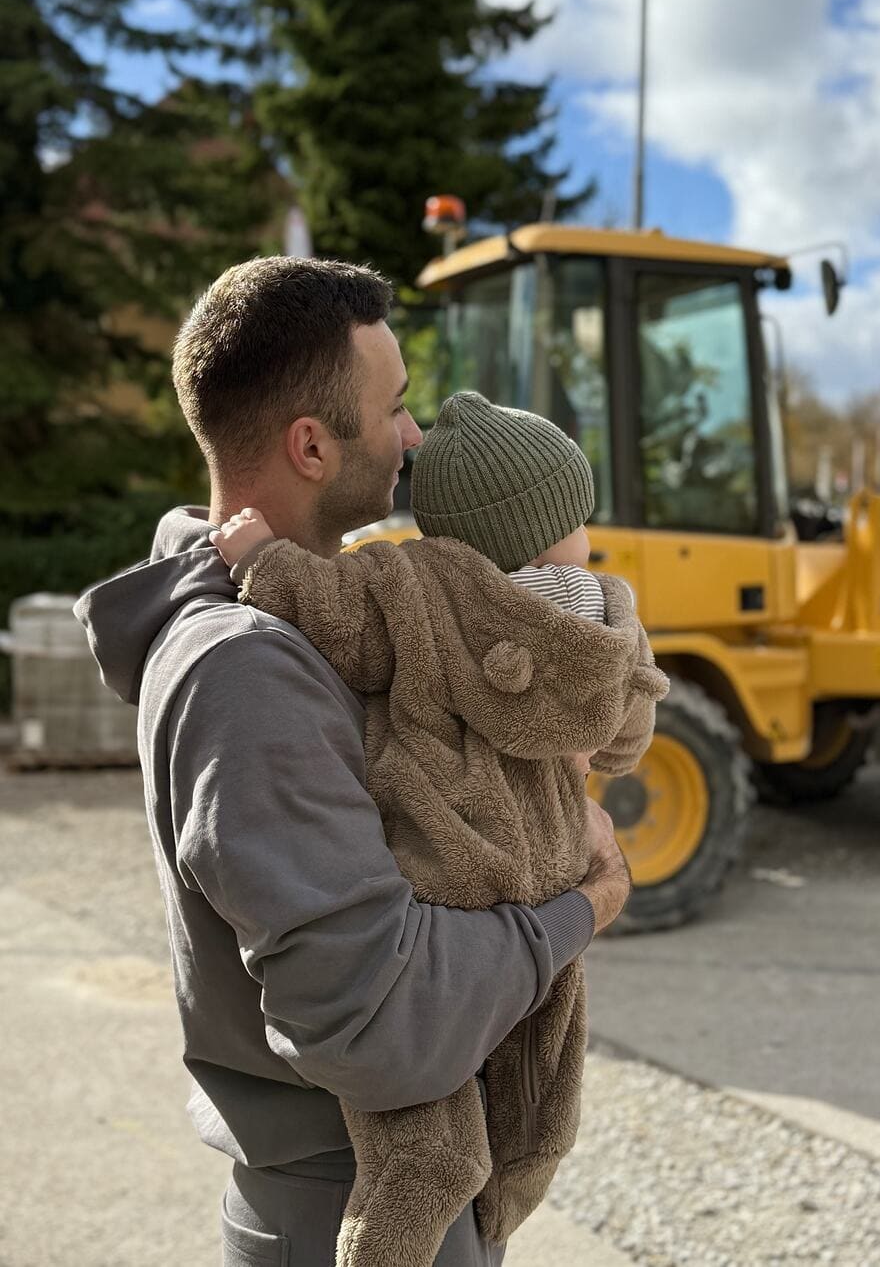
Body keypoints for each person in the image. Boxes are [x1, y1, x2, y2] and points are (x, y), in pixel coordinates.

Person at [73, 257, 631, 1267]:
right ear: (312, 446)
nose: (416, 438)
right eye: (397, 410)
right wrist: (582, 903)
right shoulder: (246, 669)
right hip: (348, 1202)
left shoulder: (298, 623)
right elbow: (379, 1024)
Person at [209, 391, 667, 1266]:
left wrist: (259, 554)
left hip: (448, 868)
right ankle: (509, 1198)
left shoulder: (411, 583)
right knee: (539, 1080)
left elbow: (330, 614)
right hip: (554, 868)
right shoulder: (611, 617)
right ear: (567, 517)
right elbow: (624, 742)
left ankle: (390, 1246)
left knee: (428, 1139)